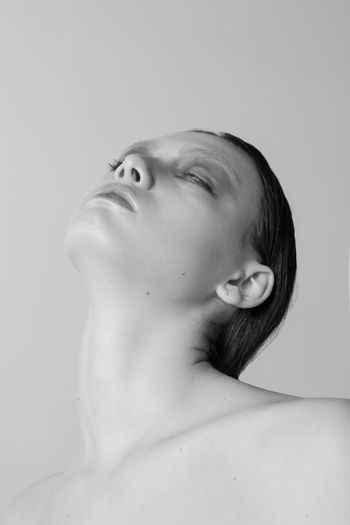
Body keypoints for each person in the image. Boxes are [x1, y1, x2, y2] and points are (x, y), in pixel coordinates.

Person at [2, 129, 350, 524]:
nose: (131, 167)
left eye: (196, 177)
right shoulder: (25, 513)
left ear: (243, 282)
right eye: (118, 163)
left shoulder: (325, 449)